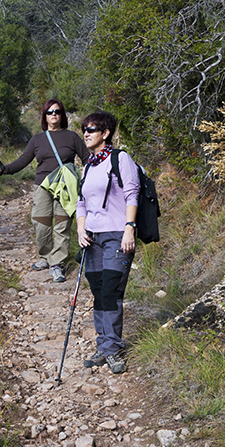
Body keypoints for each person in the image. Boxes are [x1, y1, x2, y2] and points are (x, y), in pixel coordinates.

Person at [0, 99, 89, 282]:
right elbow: (22, 161)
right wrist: (3, 169)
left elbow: (87, 160)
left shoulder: (72, 137)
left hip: (65, 186)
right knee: (40, 222)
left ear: (62, 115)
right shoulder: (38, 139)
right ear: (44, 115)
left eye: (57, 112)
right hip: (42, 186)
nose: (54, 115)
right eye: (50, 112)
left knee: (62, 224)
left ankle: (57, 264)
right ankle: (45, 257)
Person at [76, 111, 140, 373]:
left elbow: (132, 193)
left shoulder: (120, 158)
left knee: (111, 291)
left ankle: (113, 349)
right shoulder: (89, 165)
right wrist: (81, 230)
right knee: (98, 293)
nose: (86, 133)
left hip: (116, 233)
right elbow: (81, 201)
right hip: (91, 238)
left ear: (106, 133)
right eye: (84, 129)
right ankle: (103, 346)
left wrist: (129, 228)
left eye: (91, 129)